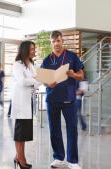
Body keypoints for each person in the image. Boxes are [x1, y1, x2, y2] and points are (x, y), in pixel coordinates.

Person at [41, 30, 84, 169]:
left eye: (58, 41)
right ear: (51, 43)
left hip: (69, 99)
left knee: (72, 129)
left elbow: (81, 75)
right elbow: (43, 79)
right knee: (54, 129)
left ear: (62, 41)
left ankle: (72, 160)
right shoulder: (47, 60)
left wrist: (73, 74)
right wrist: (49, 83)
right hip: (52, 99)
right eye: (53, 41)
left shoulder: (72, 56)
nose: (56, 44)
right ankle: (58, 158)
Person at [11, 40, 39, 169]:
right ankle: (21, 159)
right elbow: (22, 81)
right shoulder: (18, 64)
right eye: (31, 49)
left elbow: (36, 80)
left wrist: (36, 80)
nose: (34, 51)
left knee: (25, 133)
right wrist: (35, 80)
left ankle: (19, 157)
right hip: (21, 103)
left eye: (34, 49)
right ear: (25, 50)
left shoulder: (31, 64)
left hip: (29, 103)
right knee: (20, 133)